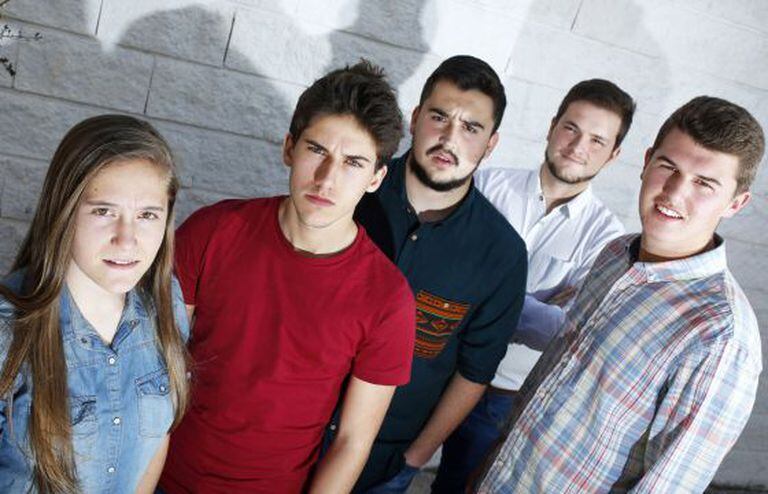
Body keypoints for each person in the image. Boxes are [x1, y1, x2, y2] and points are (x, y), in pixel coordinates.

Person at [478, 96, 765, 493]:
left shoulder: (721, 336)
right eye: (668, 166)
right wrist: (492, 461)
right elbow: (551, 374)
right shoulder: (616, 253)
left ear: (735, 203)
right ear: (646, 162)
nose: (674, 192)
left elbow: (668, 485)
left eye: (704, 183)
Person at [159, 61, 416, 493]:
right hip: (162, 477)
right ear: (288, 148)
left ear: (376, 178)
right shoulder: (213, 231)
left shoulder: (388, 299)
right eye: (317, 150)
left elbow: (353, 441)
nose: (327, 179)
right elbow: (152, 373)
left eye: (353, 163)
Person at [434, 79, 635, 492]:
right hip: (435, 365)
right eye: (571, 128)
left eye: (597, 140)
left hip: (501, 396)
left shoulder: (607, 241)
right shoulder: (484, 186)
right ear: (551, 126)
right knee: (391, 469)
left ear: (614, 154)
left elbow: (567, 331)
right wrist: (533, 308)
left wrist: (484, 294)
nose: (578, 147)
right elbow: (438, 275)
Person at [352, 55, 527, 492]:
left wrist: (414, 458)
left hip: (384, 461)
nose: (450, 138)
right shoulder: (351, 190)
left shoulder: (502, 253)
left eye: (471, 128)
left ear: (491, 144)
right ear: (415, 119)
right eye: (439, 117)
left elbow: (475, 371)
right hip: (295, 430)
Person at [0, 115, 190, 494]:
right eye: (103, 211)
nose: (127, 239)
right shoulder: (9, 329)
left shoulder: (165, 303)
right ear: (64, 211)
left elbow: (158, 437)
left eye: (147, 215)